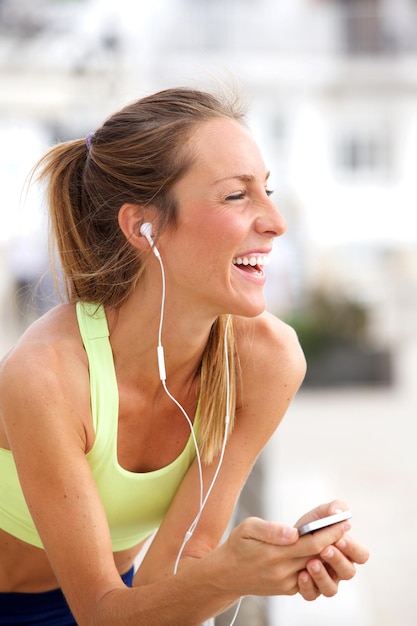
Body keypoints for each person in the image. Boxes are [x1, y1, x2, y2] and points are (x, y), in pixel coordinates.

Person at [0, 87, 369, 626]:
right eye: (236, 197)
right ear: (142, 227)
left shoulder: (266, 361)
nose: (275, 221)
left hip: (108, 602)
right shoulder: (49, 375)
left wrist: (267, 561)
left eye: (266, 190)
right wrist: (229, 575)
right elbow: (102, 614)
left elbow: (175, 570)